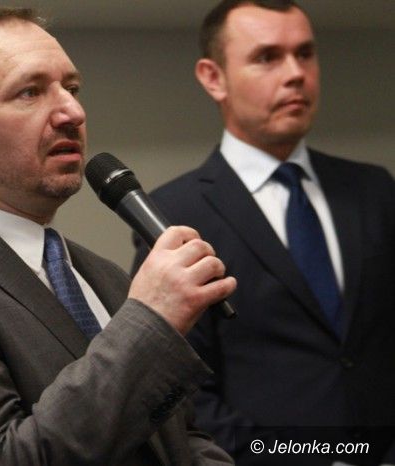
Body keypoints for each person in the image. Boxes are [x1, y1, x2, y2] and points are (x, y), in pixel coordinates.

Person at [0, 7, 238, 466]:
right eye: (30, 92)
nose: (73, 112)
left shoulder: (103, 276)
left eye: (71, 89)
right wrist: (150, 322)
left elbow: (178, 441)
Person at [131, 1, 395, 465]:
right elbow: (185, 393)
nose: (295, 74)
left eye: (305, 53)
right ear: (214, 78)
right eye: (267, 57)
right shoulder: (174, 215)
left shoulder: (373, 189)